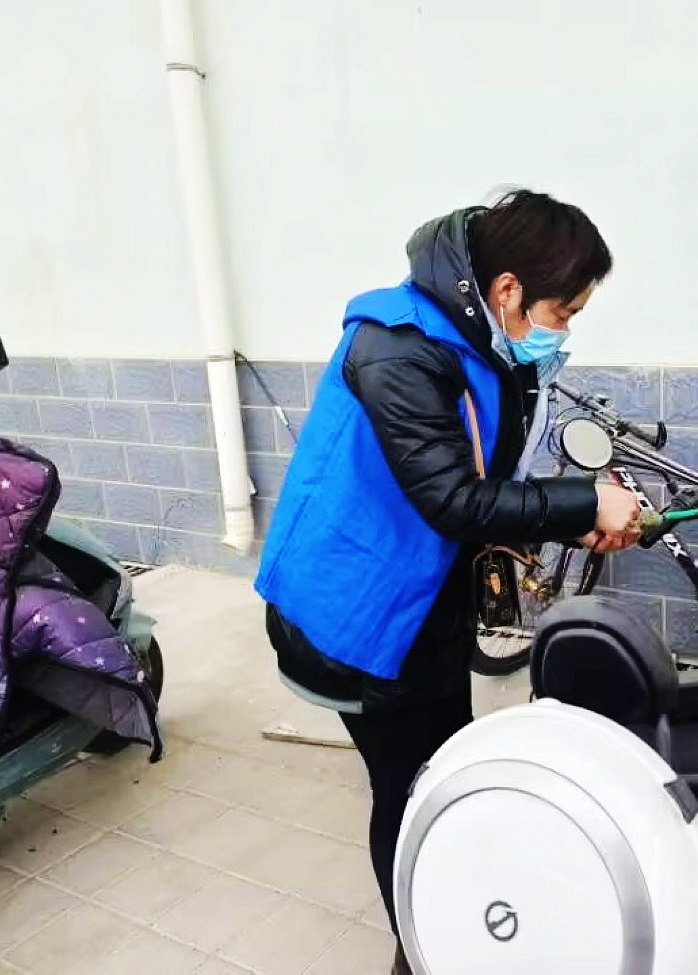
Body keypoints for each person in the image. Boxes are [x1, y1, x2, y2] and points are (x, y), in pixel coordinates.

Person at [254, 189, 641, 974]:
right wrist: (581, 503)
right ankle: (422, 948)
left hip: (419, 605)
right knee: (407, 789)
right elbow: (454, 499)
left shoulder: (481, 343)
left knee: (444, 769)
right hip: (356, 614)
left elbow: (485, 482)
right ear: (508, 290)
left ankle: (459, 913)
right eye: (563, 311)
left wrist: (574, 519)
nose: (565, 330)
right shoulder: (397, 347)